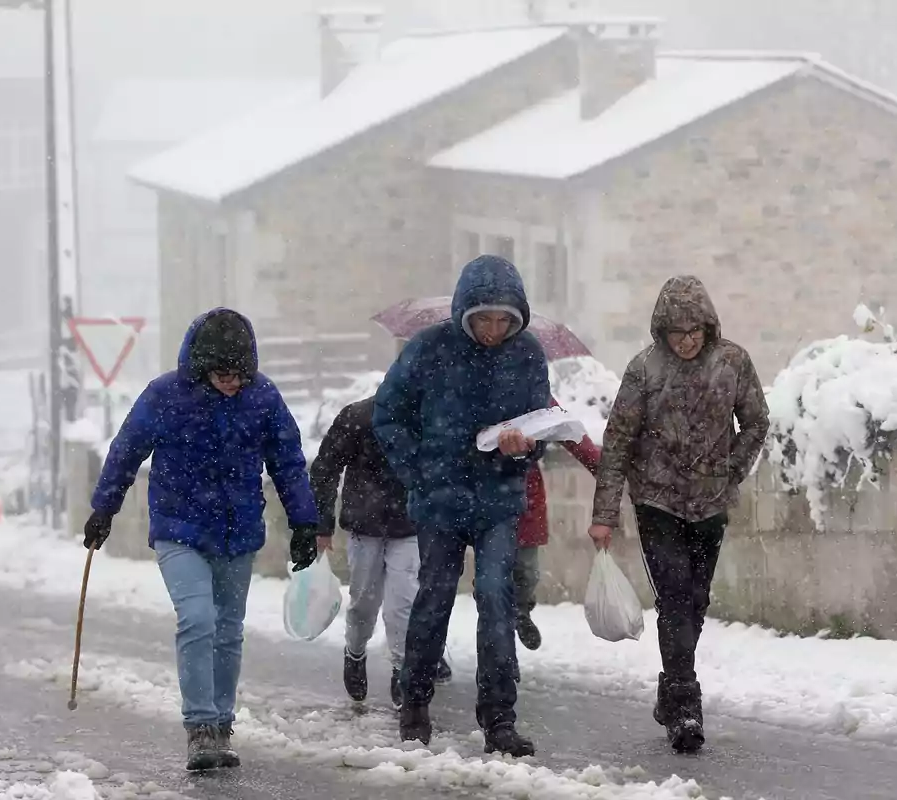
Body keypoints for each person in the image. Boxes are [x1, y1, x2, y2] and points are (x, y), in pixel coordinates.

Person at [83, 308, 320, 772]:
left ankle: (222, 725)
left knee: (229, 631)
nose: (231, 382)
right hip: (179, 528)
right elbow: (126, 449)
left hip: (239, 530)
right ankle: (200, 728)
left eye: (238, 374)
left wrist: (305, 522)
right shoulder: (165, 395)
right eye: (221, 374)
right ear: (201, 367)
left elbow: (288, 462)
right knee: (197, 618)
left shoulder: (263, 398)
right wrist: (104, 507)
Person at [374, 254, 550, 756]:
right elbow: (388, 415)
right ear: (464, 313)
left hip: (499, 498)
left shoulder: (528, 355)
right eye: (484, 319)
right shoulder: (429, 350)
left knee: (497, 599)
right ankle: (414, 703)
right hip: (439, 501)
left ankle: (499, 718)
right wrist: (419, 473)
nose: (494, 330)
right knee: (435, 597)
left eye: (504, 320)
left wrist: (527, 445)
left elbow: (540, 421)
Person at [587, 275, 769, 754]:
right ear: (662, 332)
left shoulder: (732, 362)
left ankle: (671, 687)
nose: (687, 340)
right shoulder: (643, 370)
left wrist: (731, 471)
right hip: (657, 502)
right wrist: (604, 513)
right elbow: (619, 442)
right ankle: (687, 705)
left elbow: (756, 421)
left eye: (694, 331)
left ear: (708, 327)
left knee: (695, 599)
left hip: (710, 503)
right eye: (677, 332)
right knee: (672, 595)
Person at [309, 396, 450, 709]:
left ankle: (402, 670)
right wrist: (321, 524)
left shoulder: (433, 417)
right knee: (363, 603)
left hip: (411, 526)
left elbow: (449, 470)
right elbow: (325, 467)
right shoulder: (359, 416)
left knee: (403, 603)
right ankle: (355, 652)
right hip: (364, 526)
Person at [514, 409, 600, 651]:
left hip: (525, 496)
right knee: (491, 581)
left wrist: (603, 467)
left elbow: (566, 428)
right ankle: (497, 658)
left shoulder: (534, 385)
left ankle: (520, 610)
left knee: (528, 571)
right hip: (481, 496)